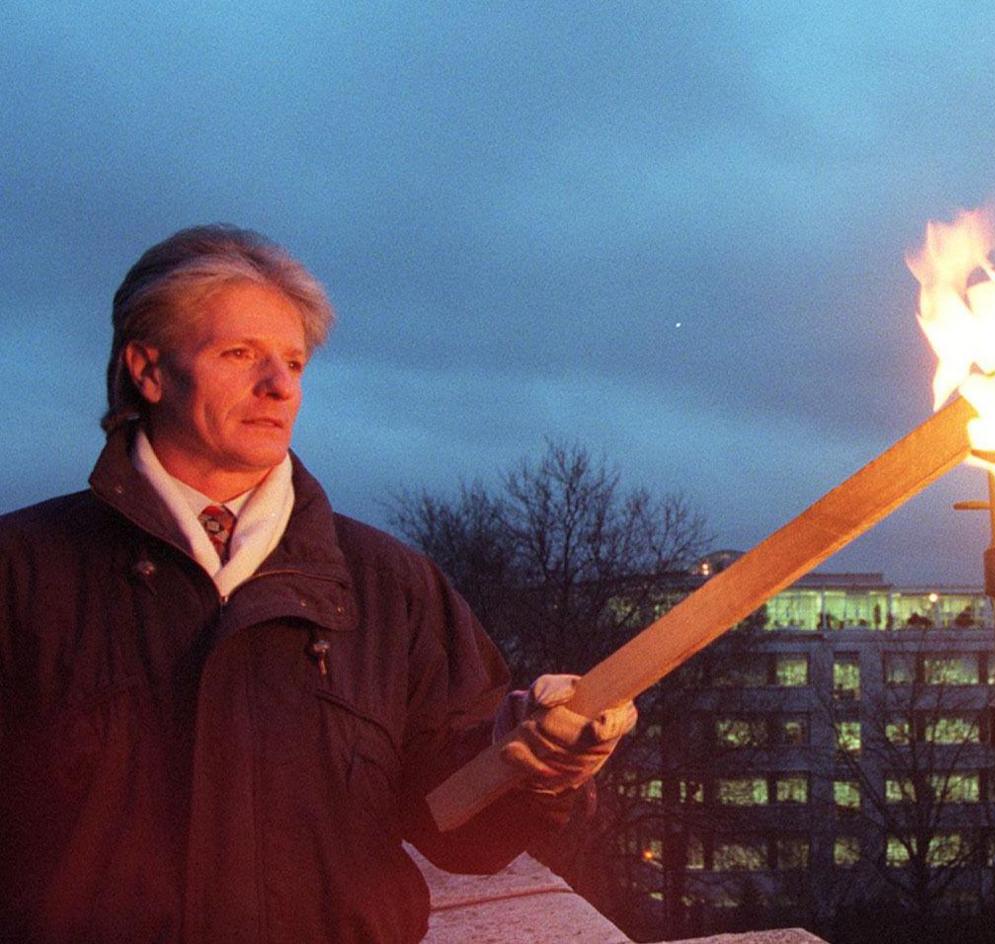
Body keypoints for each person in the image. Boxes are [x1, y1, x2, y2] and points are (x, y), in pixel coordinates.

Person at [0, 224, 636, 942]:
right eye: (239, 354)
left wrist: (532, 765)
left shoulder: (392, 588)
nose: (277, 387)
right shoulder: (22, 573)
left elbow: (459, 836)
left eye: (293, 363)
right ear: (148, 371)